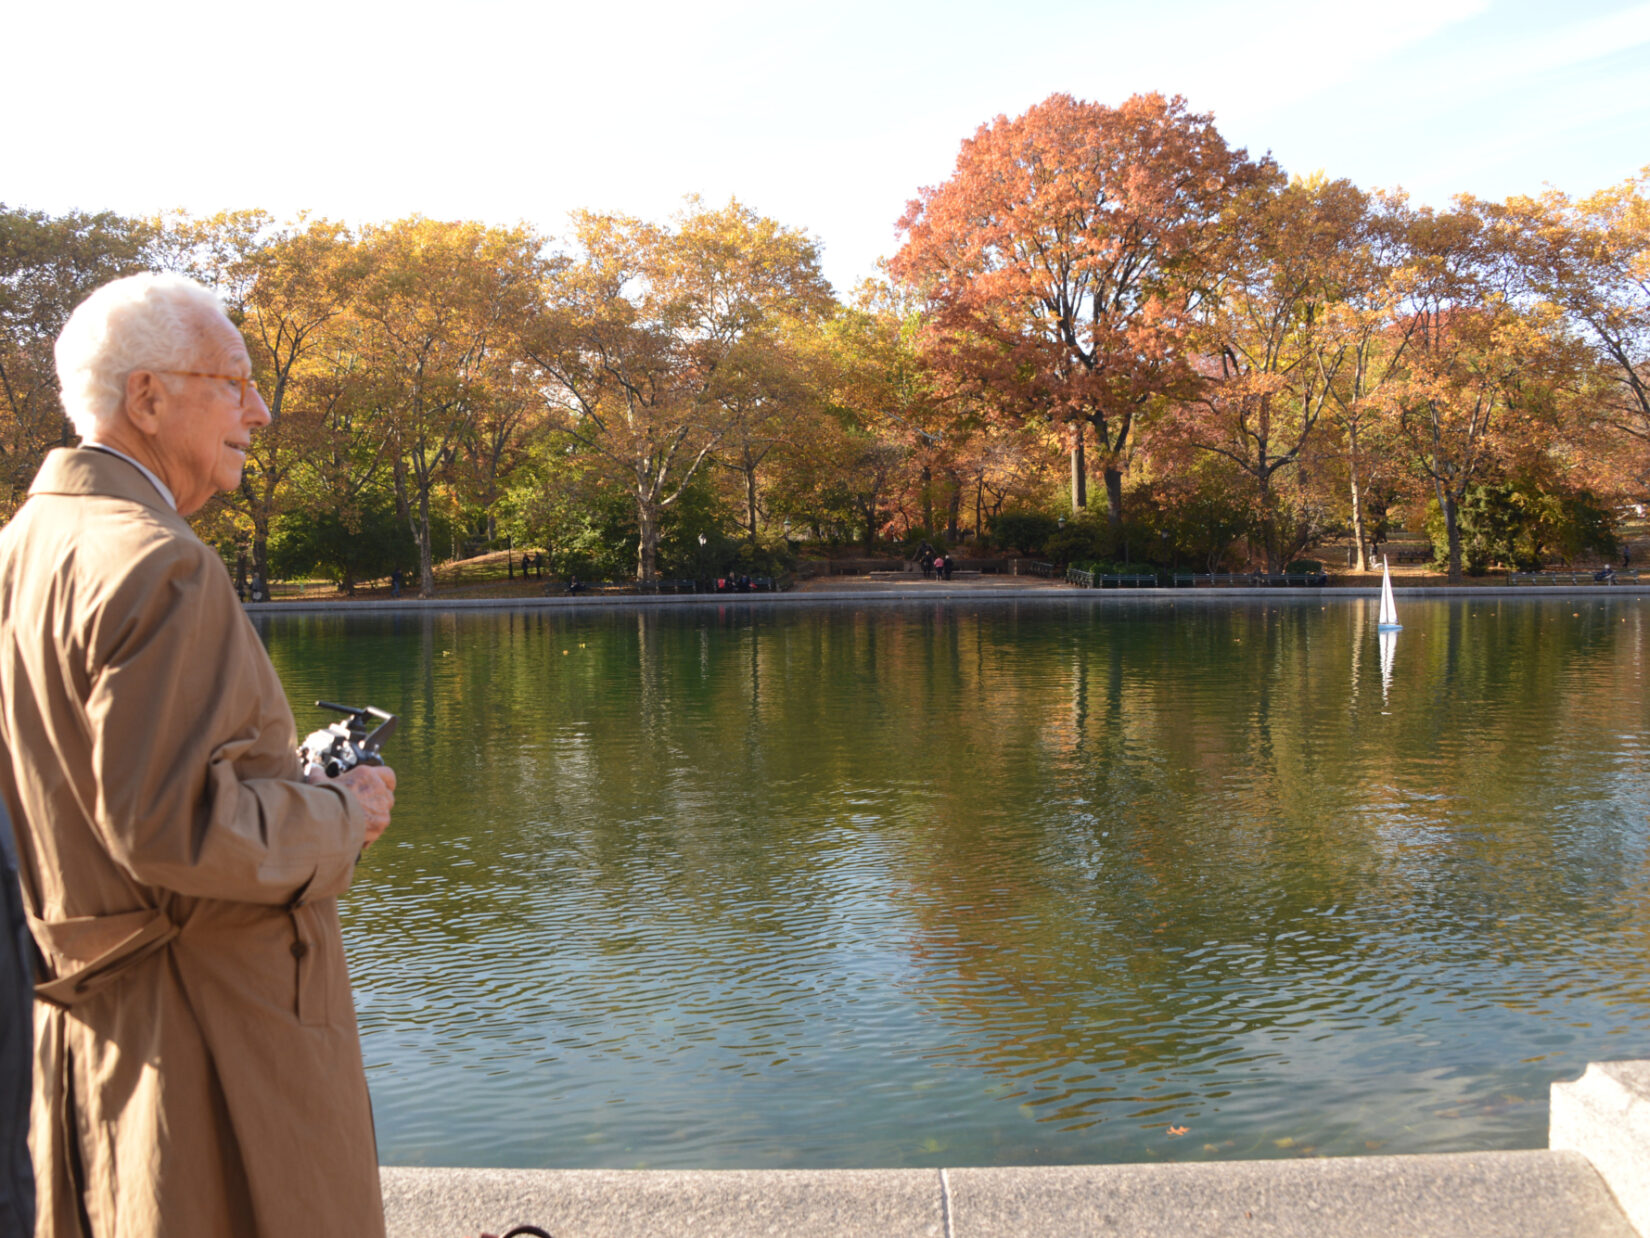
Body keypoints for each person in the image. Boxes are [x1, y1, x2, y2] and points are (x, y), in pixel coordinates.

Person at [0, 273, 397, 1237]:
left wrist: (281, 782)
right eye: (234, 382)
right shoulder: (160, 561)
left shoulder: (24, 546)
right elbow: (175, 832)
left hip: (93, 1027)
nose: (258, 411)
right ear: (148, 397)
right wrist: (347, 810)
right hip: (212, 1042)